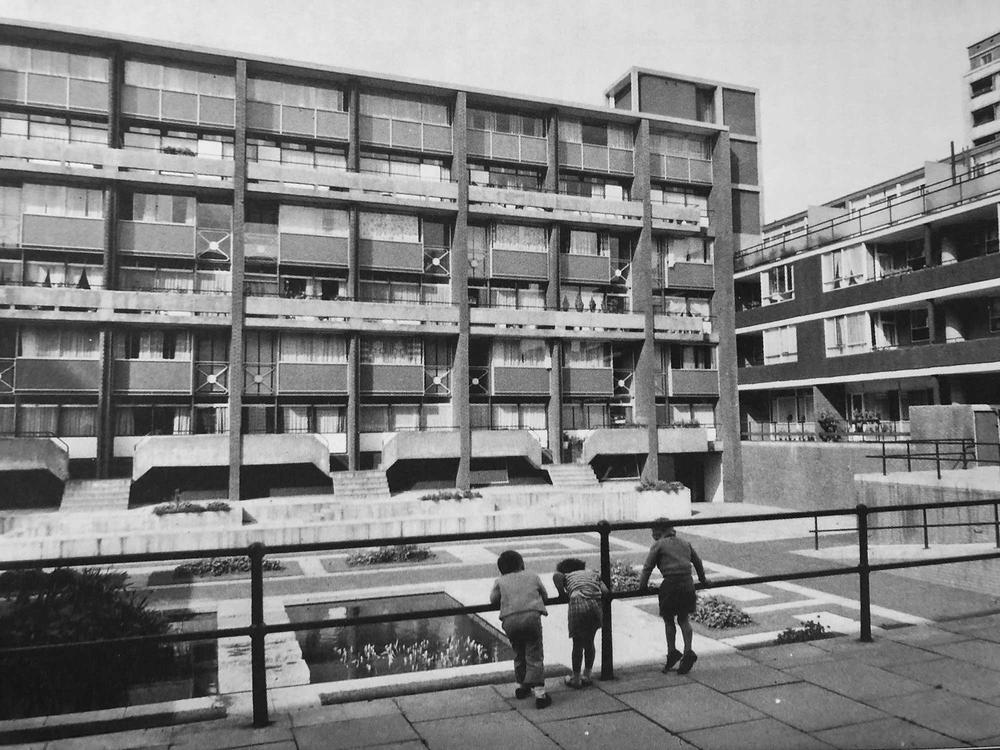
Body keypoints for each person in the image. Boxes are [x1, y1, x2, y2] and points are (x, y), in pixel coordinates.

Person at [638, 517, 707, 675]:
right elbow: (697, 562)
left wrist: (642, 587)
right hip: (687, 583)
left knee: (669, 620)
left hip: (670, 584)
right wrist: (703, 580)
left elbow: (647, 567)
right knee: (683, 619)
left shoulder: (658, 545)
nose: (652, 535)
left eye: (653, 532)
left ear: (659, 531)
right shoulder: (685, 543)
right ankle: (688, 651)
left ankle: (672, 651)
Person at [489, 549, 551, 708]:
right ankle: (540, 692)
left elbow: (493, 600)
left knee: (519, 652)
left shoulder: (500, 581)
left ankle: (522, 685)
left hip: (510, 620)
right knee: (534, 653)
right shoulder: (532, 576)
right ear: (522, 564)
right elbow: (545, 596)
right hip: (531, 618)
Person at [553, 557, 609, 688]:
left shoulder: (566, 575)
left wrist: (562, 593)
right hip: (595, 606)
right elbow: (605, 591)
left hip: (578, 603)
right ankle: (587, 675)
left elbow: (556, 577)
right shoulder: (593, 574)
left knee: (577, 644)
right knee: (590, 642)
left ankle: (576, 678)